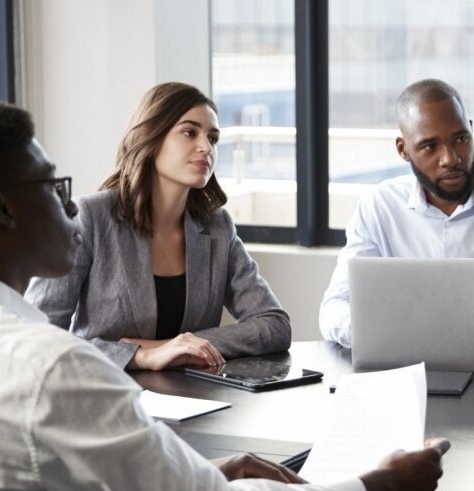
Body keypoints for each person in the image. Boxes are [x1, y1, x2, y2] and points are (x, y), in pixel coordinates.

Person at [0, 100, 450, 491]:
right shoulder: (51, 368)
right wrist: (380, 487)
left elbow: (50, 477)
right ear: (0, 208)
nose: (71, 209)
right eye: (54, 188)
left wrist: (200, 472)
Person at [25, 82, 290, 371]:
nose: (206, 147)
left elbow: (274, 325)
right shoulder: (90, 217)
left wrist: (179, 345)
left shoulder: (217, 227)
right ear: (151, 137)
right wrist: (139, 355)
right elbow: (38, 337)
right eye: (190, 133)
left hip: (197, 400)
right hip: (106, 395)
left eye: (212, 138)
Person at [318, 78, 474, 347]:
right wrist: (369, 331)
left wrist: (397, 332)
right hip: (404, 373)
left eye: (460, 139)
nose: (450, 158)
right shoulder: (379, 206)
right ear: (403, 150)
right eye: (430, 146)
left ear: (471, 131)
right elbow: (334, 309)